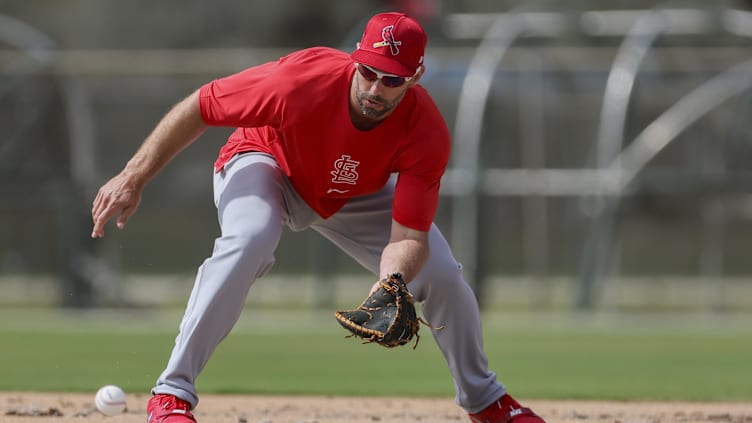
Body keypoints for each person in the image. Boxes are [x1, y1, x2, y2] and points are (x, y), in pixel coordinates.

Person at [90, 12, 546, 423]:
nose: (374, 88)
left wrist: (393, 283)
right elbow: (202, 105)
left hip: (352, 190)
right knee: (250, 239)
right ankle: (171, 394)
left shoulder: (425, 131)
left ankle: (486, 402)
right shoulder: (298, 81)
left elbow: (409, 233)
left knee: (443, 274)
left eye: (391, 79)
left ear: (415, 77)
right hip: (266, 159)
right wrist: (134, 176)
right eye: (367, 72)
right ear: (355, 60)